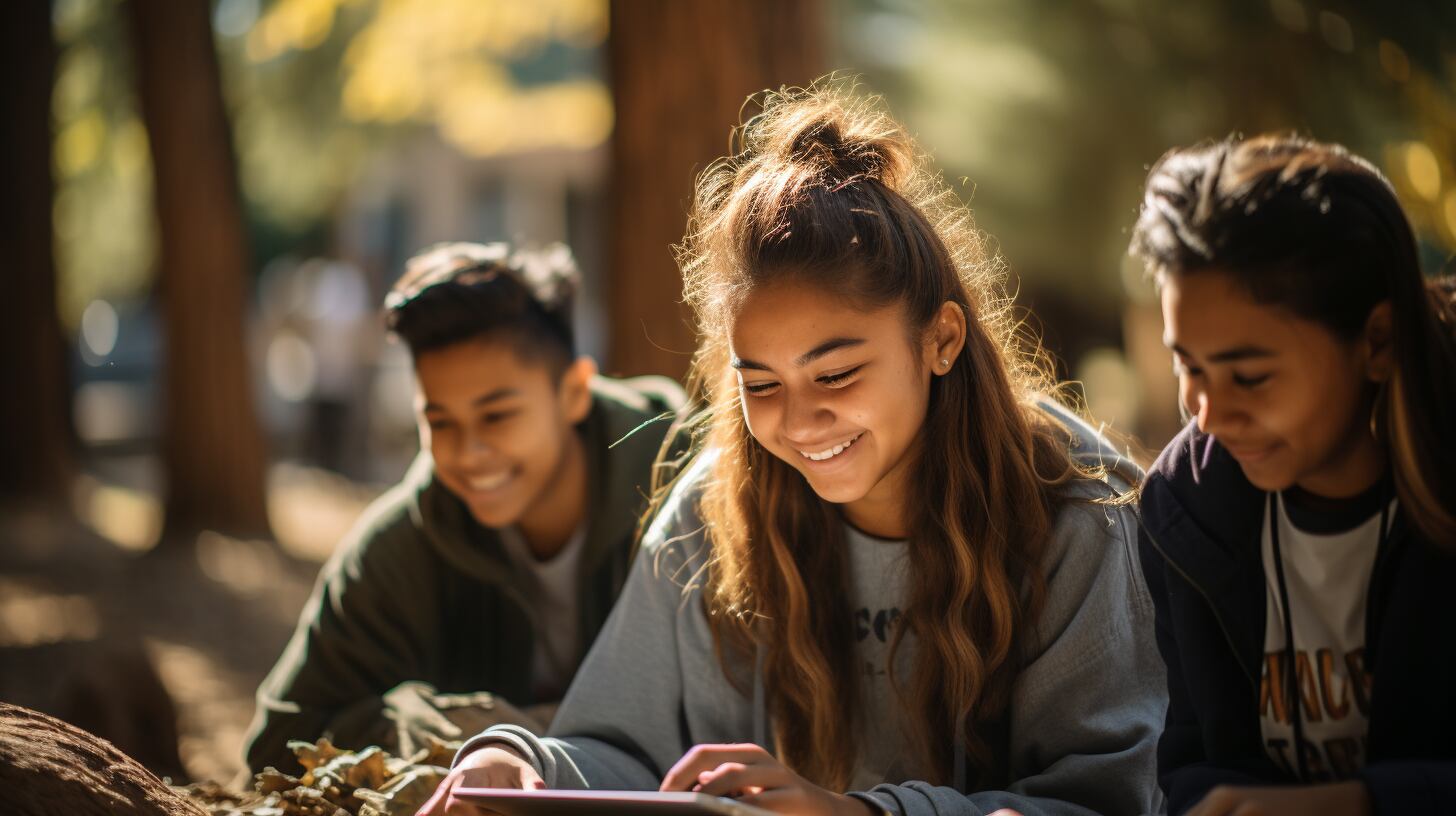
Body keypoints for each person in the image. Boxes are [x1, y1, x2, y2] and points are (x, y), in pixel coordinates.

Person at [419, 85, 1165, 816]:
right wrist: (521, 763)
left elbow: (1103, 799)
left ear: (940, 340)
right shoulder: (716, 510)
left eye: (836, 374)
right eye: (762, 385)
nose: (802, 422)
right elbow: (624, 749)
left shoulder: (1075, 507)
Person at [244, 242, 686, 775]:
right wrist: (440, 730)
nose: (468, 453)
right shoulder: (401, 543)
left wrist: (547, 741)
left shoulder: (695, 498)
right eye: (441, 422)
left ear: (573, 393)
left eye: (497, 417)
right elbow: (279, 743)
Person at [1131, 135, 1456, 815]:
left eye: (1250, 376)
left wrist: (1360, 804)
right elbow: (1194, 756)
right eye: (1189, 368)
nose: (1210, 416)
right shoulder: (1181, 510)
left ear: (1377, 342)